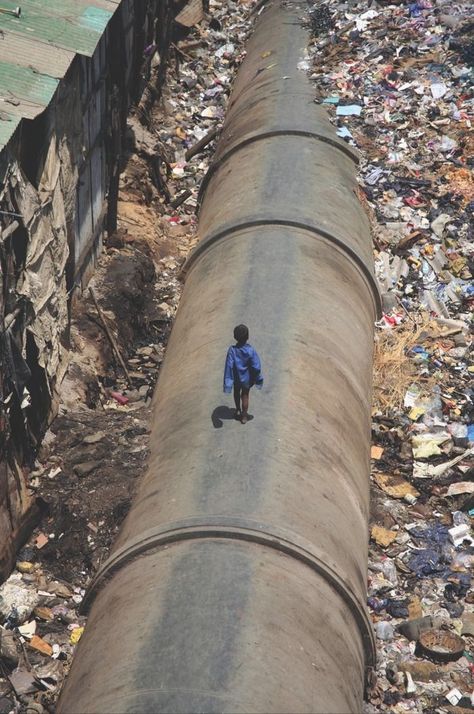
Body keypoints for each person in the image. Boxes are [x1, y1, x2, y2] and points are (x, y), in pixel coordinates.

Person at [223, 324, 263, 424]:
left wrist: (228, 382)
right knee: (245, 395)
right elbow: (256, 366)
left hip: (236, 379)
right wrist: (257, 377)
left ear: (235, 337)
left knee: (236, 393)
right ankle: (244, 416)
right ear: (247, 337)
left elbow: (229, 366)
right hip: (246, 380)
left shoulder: (232, 351)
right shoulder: (250, 350)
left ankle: (237, 410)